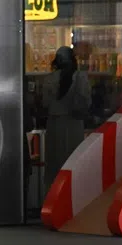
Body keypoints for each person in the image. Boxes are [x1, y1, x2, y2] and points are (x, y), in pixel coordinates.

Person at [42, 46, 90, 193]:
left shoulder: (49, 79)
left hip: (54, 125)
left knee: (54, 165)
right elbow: (86, 101)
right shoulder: (80, 77)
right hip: (73, 124)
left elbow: (44, 103)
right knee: (73, 163)